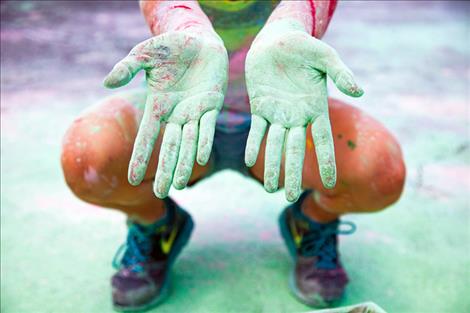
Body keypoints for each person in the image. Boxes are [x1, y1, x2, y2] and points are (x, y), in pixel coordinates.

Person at [61, 0, 405, 311]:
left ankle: (311, 222)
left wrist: (288, 27)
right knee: (88, 157)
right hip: (184, 114)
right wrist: (188, 29)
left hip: (280, 119)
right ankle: (156, 226)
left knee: (379, 171)